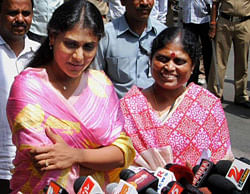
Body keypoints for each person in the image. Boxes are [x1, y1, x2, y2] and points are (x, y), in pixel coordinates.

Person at [6, 0, 135, 193]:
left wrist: (76, 155)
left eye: (89, 47)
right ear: (52, 37)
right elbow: (45, 161)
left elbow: (123, 152)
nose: (78, 56)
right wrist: (101, 156)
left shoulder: (101, 84)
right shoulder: (29, 87)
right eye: (70, 44)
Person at [120, 27, 234, 171]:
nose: (169, 67)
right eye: (162, 59)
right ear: (150, 60)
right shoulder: (130, 106)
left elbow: (221, 160)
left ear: (193, 66)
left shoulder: (208, 106)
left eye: (179, 61)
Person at [0, 0, 40, 193]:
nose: (20, 19)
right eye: (13, 13)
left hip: (33, 166)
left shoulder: (41, 56)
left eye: (26, 13)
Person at [92, 0, 166, 98]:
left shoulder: (163, 35)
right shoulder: (106, 36)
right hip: (117, 109)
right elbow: (95, 79)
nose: (144, 2)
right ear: (123, 1)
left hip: (155, 109)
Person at [207, 0, 250, 108]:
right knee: (219, 60)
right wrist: (213, 24)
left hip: (244, 23)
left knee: (242, 60)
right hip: (225, 22)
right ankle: (215, 93)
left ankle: (241, 95)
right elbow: (215, 4)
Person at [179, 0, 212, 85]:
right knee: (191, 51)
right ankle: (192, 81)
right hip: (188, 16)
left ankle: (210, 81)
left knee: (207, 52)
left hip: (204, 18)